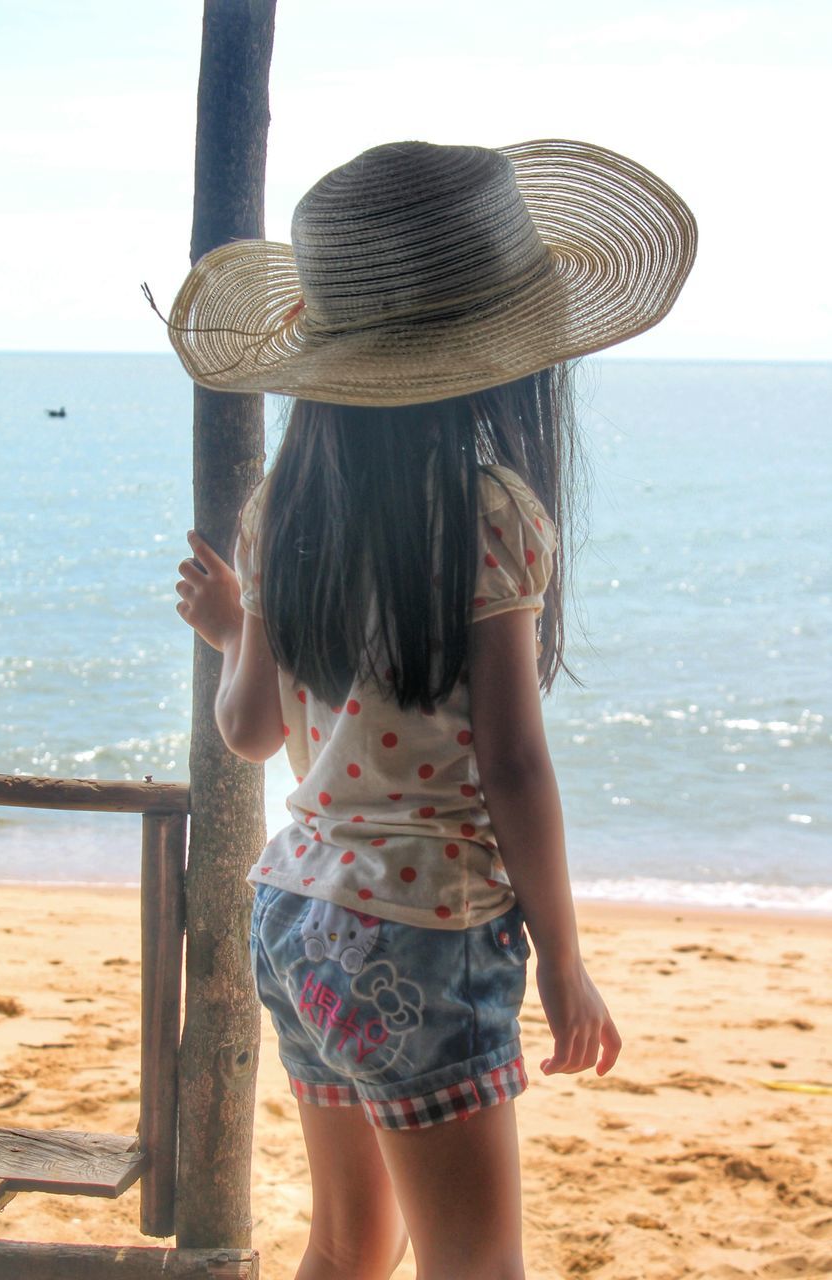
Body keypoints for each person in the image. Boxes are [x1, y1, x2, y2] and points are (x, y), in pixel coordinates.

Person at [170, 139, 696, 1280]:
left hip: (298, 915)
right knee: (474, 1263)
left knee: (347, 1245)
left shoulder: (282, 504)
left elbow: (251, 730)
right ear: (498, 352)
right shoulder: (491, 512)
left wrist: (232, 633)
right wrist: (562, 955)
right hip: (420, 931)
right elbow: (508, 760)